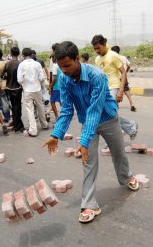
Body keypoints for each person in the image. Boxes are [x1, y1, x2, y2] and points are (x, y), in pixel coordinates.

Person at [43, 41, 139, 223]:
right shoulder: (64, 78)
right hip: (88, 122)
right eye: (61, 67)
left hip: (108, 119)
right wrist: (56, 134)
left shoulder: (97, 76)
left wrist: (83, 140)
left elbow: (95, 110)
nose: (64, 71)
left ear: (77, 59)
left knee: (119, 154)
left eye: (68, 66)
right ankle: (89, 204)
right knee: (88, 162)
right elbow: (66, 110)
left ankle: (126, 177)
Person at [91, 35, 138, 140]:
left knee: (110, 113)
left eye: (98, 48)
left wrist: (121, 91)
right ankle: (130, 125)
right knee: (109, 114)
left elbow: (123, 73)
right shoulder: (97, 59)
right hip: (104, 89)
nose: (97, 50)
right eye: (95, 49)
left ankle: (124, 132)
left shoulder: (113, 55)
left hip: (114, 87)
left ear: (104, 45)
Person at [17, 48, 49, 137]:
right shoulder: (37, 64)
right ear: (31, 54)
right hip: (37, 88)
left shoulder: (21, 65)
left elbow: (19, 80)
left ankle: (33, 130)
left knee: (30, 109)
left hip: (27, 90)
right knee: (40, 106)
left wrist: (25, 82)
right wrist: (36, 81)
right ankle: (44, 124)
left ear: (23, 55)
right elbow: (42, 78)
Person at [1, 47, 25, 133]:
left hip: (9, 88)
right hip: (17, 88)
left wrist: (8, 77)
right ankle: (18, 126)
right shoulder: (20, 64)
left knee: (14, 107)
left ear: (11, 54)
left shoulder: (7, 63)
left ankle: (16, 124)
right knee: (17, 107)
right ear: (19, 53)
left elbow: (2, 75)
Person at [111, 45, 136, 112]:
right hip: (124, 76)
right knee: (127, 91)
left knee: (115, 90)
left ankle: (116, 105)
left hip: (116, 77)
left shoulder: (113, 58)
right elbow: (129, 65)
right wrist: (125, 72)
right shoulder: (124, 57)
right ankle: (132, 104)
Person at [48, 54, 61, 121]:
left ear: (54, 58)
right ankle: (64, 114)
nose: (51, 60)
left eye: (52, 58)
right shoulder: (60, 65)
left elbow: (54, 77)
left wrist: (50, 86)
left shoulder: (54, 66)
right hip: (61, 86)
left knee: (52, 101)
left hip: (56, 87)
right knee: (61, 101)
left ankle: (57, 116)